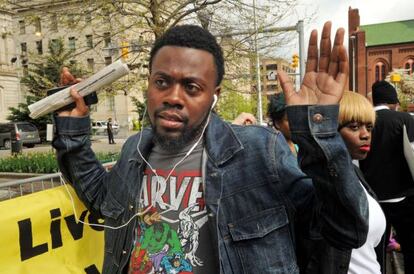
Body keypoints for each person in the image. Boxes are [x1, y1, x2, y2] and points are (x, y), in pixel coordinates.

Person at [53, 22, 368, 274]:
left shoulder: (260, 152)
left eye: (191, 87)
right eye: (162, 82)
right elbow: (102, 200)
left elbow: (345, 230)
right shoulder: (136, 149)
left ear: (214, 95)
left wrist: (316, 130)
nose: (173, 96)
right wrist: (72, 128)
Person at [360, 80, 414, 274]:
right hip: (403, 196)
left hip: (373, 198)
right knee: (409, 243)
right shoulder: (405, 119)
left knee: (377, 248)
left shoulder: (364, 121)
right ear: (393, 101)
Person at [338, 91, 386, 274]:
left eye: (369, 127)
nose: (366, 135)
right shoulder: (323, 181)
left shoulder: (355, 173)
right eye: (354, 126)